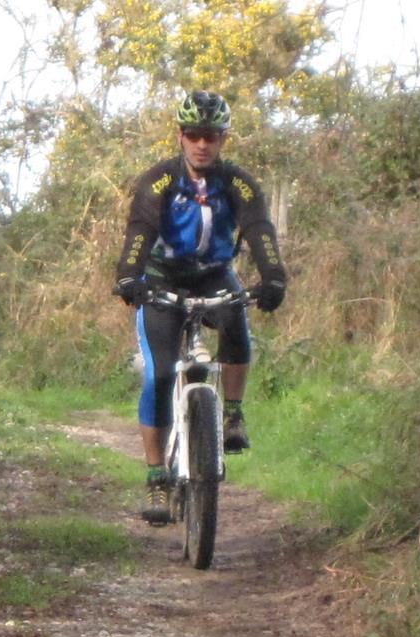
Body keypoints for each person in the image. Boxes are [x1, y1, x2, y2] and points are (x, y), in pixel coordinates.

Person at [114, 90, 287, 524]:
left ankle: (233, 415)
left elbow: (259, 229)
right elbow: (140, 230)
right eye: (194, 135)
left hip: (214, 274)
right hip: (162, 278)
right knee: (159, 375)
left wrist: (273, 277)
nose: (202, 144)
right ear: (181, 136)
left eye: (211, 136)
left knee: (235, 321)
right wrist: (129, 275)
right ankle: (156, 477)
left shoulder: (238, 183)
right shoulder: (159, 180)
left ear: (223, 139)